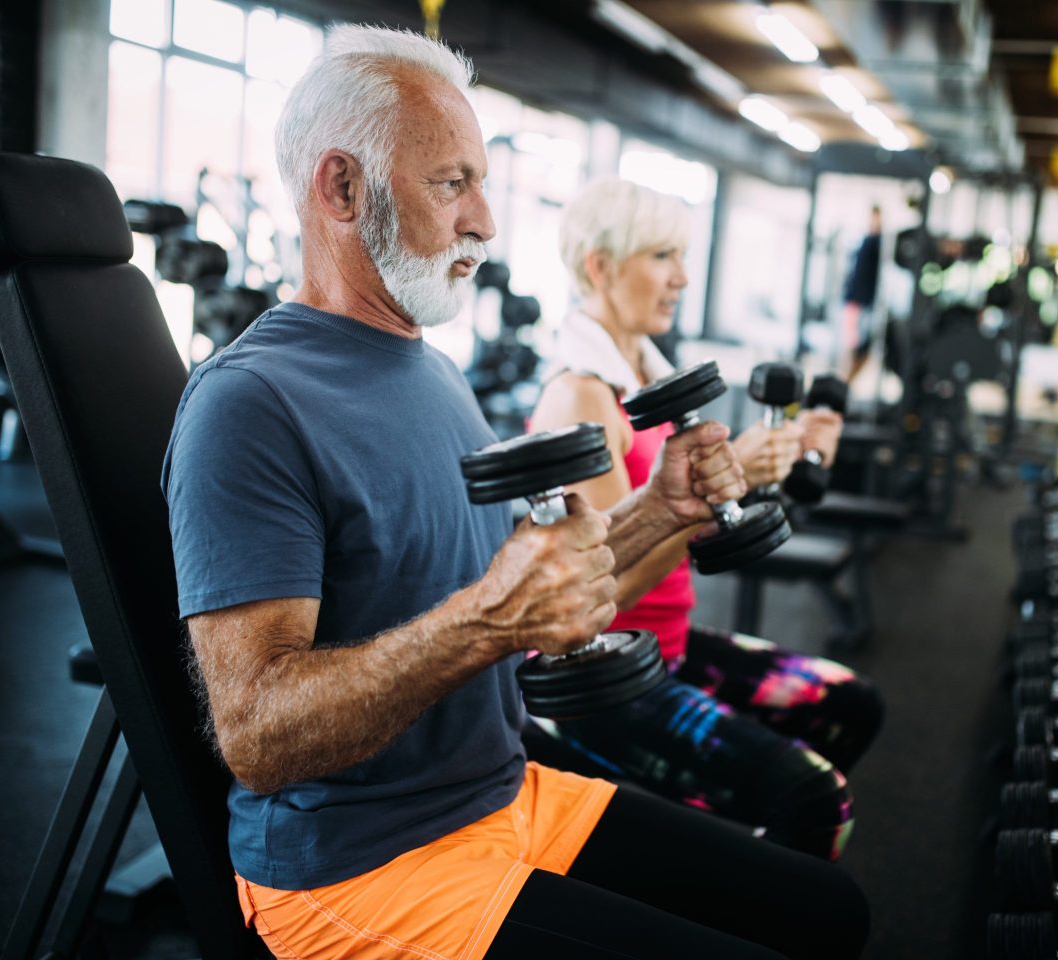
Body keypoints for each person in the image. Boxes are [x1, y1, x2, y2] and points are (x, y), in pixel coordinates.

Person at [162, 25, 868, 960]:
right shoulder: (249, 404)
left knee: (828, 913)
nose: (485, 221)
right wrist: (484, 625)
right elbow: (255, 734)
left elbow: (527, 586)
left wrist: (664, 506)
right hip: (360, 865)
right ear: (342, 188)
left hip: (502, 791)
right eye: (452, 183)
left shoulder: (430, 368)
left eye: (480, 184)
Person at [523, 178, 883, 864]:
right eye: (663, 256)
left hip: (671, 643)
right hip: (603, 679)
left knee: (848, 705)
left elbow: (707, 522)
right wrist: (725, 484)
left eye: (681, 257)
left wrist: (785, 458)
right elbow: (596, 597)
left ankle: (740, 857)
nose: (683, 278)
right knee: (817, 802)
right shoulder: (581, 396)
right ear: (600, 266)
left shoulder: (646, 380)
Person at [844, 206, 883, 385]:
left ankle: (848, 381)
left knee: (864, 347)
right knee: (854, 345)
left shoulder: (876, 243)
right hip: (856, 302)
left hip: (864, 302)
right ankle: (846, 381)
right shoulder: (866, 241)